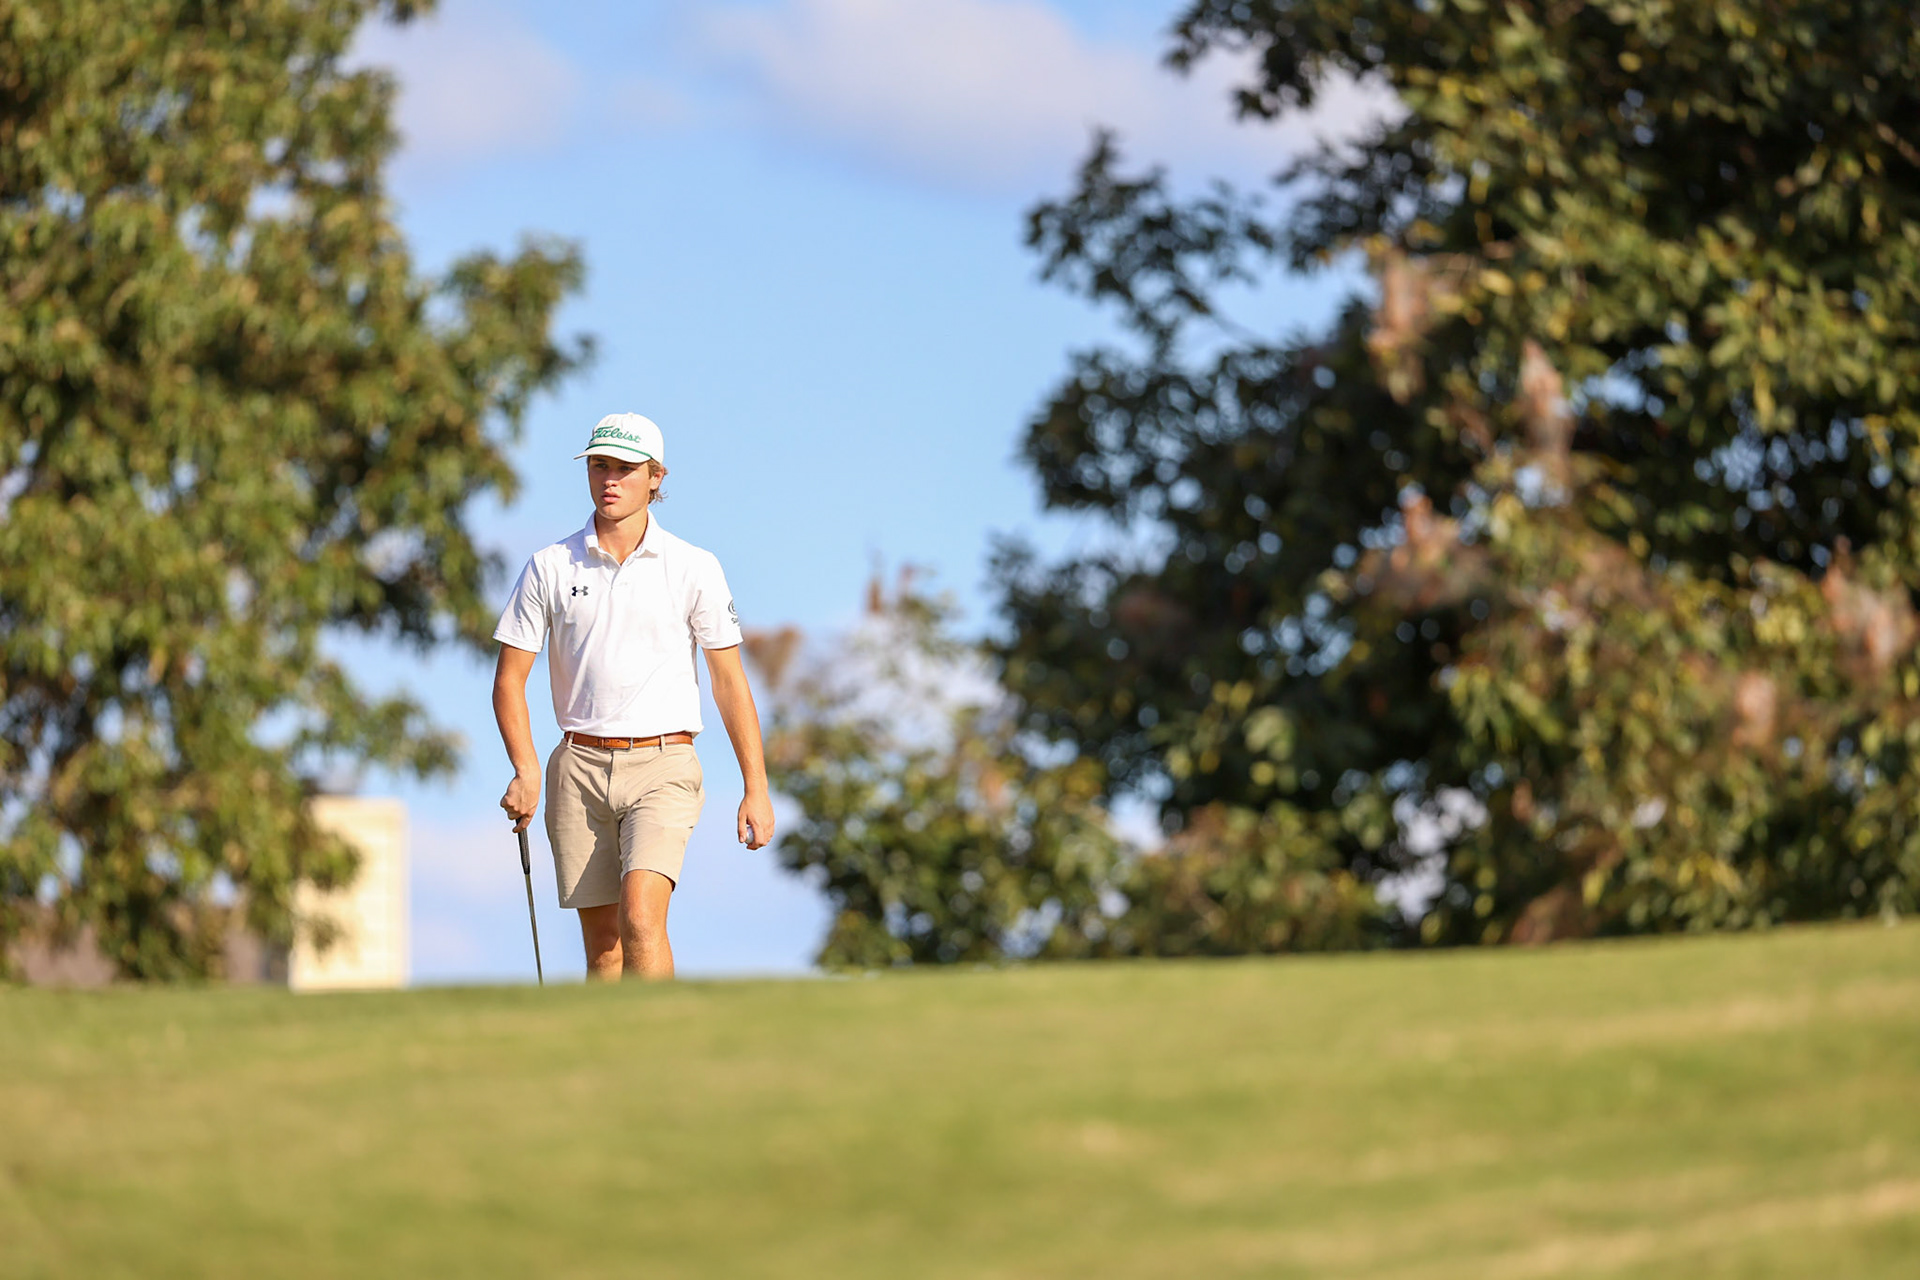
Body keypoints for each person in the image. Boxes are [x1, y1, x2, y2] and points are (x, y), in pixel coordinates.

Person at [492, 412, 774, 981]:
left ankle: (663, 1055)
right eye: (600, 466)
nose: (610, 479)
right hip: (577, 766)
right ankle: (612, 1064)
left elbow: (729, 682)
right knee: (604, 949)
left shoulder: (694, 566)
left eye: (625, 468)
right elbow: (508, 680)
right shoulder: (549, 566)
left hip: (664, 764)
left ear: (656, 478)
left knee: (641, 917)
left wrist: (756, 786)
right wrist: (526, 769)